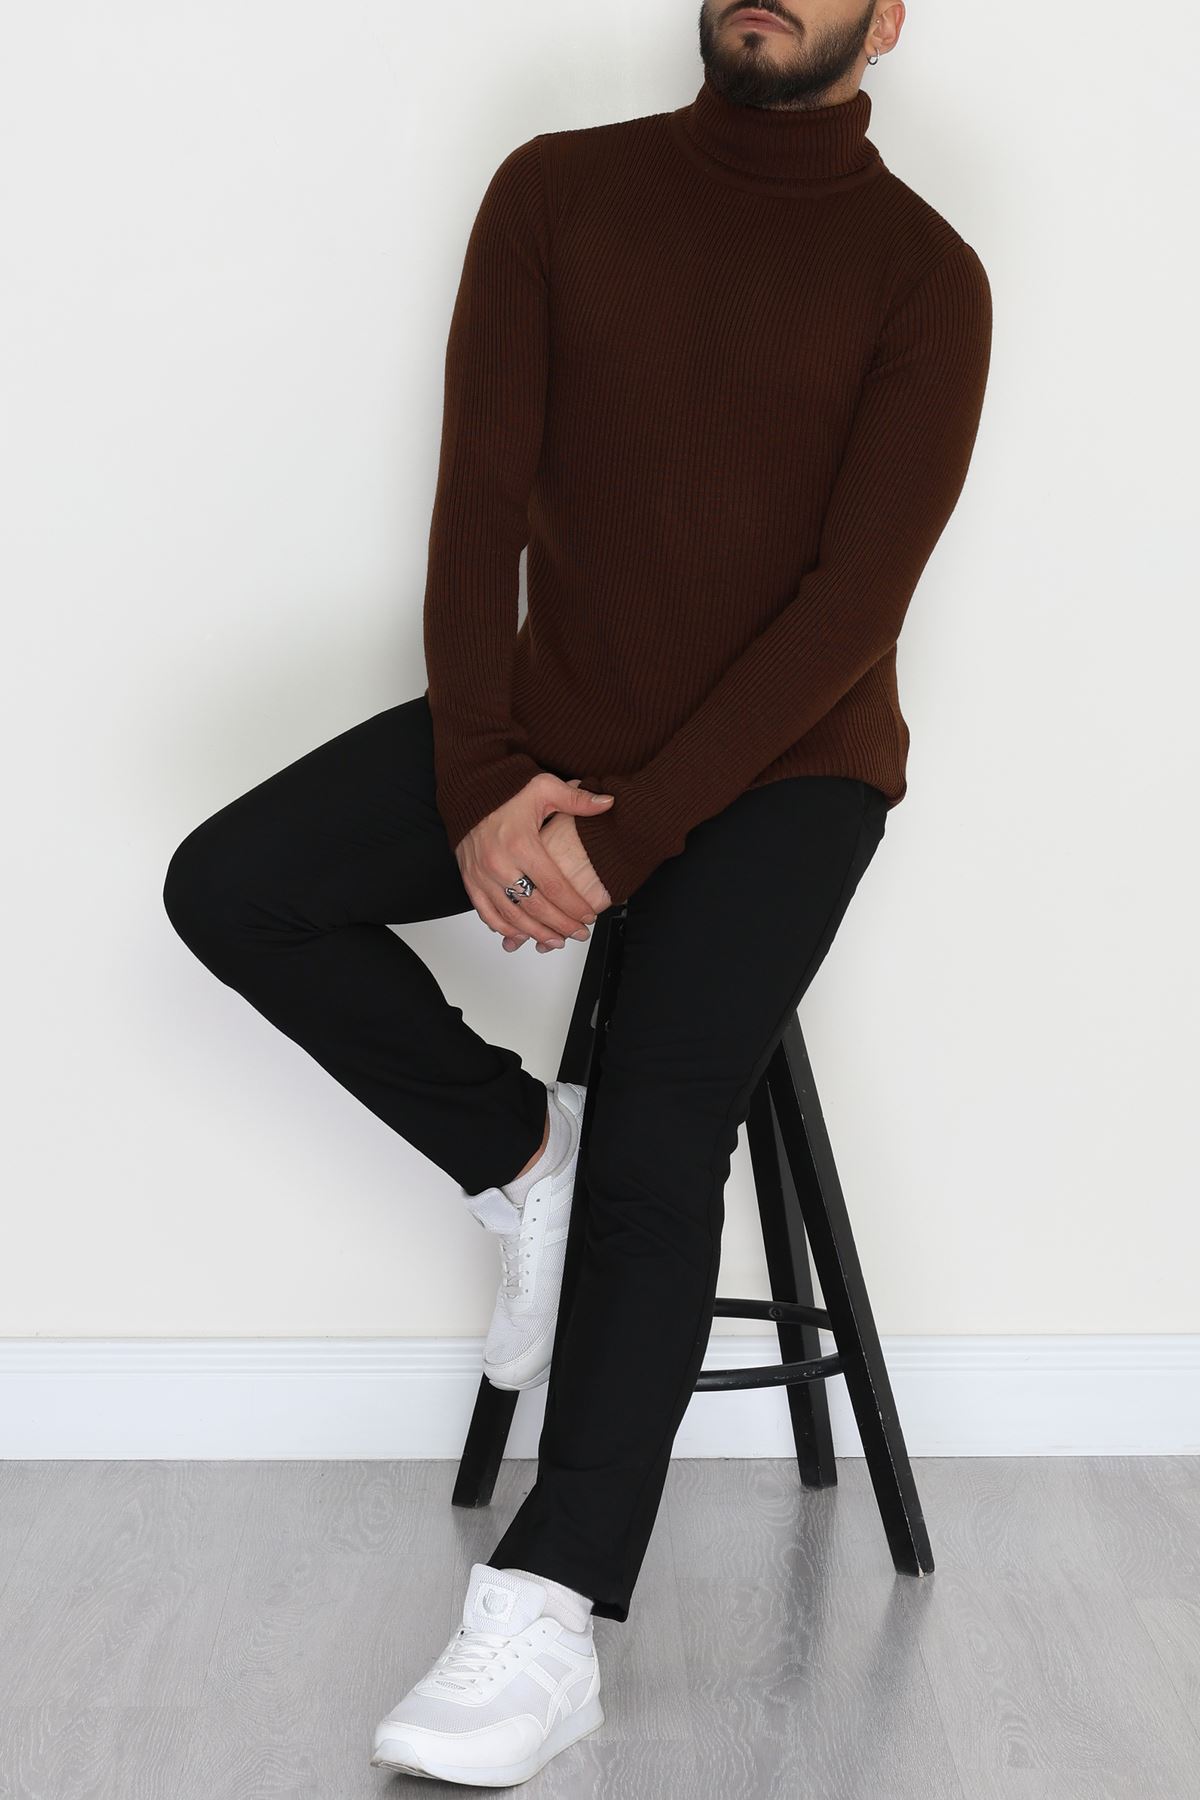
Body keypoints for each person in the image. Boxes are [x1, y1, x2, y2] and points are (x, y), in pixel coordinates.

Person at [163, 0, 992, 1785]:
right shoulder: (555, 191)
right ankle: (520, 1158)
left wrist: (626, 839)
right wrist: (484, 784)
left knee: (664, 1144)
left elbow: (853, 609)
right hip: (549, 728)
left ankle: (546, 1617)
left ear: (888, 21)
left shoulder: (927, 277)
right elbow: (478, 504)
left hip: (787, 773)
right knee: (235, 886)